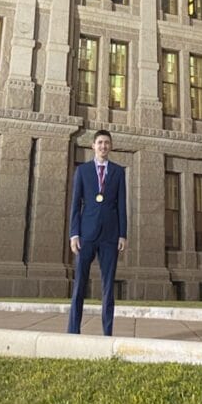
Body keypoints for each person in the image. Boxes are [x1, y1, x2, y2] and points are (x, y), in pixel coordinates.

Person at [67, 130, 127, 335]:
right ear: (93, 146)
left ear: (111, 146)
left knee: (108, 286)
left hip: (110, 236)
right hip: (86, 235)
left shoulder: (119, 172)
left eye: (107, 143)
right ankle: (73, 330)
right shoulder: (82, 171)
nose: (103, 146)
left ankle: (107, 333)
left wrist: (122, 234)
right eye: (100, 142)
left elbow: (122, 206)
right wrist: (74, 234)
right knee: (79, 284)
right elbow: (75, 205)